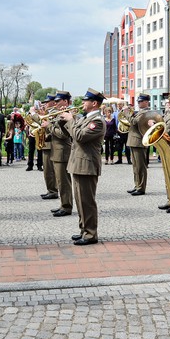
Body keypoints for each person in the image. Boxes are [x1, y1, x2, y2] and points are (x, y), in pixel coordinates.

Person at [64, 88, 106, 245]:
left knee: (87, 201)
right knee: (80, 200)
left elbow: (80, 136)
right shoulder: (86, 118)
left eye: (85, 100)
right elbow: (71, 133)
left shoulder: (97, 121)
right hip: (78, 164)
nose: (82, 103)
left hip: (87, 166)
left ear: (94, 103)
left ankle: (90, 234)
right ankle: (84, 229)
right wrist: (64, 120)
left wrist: (70, 120)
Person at [47, 91, 74, 216]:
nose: (55, 103)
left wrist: (49, 127)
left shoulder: (69, 114)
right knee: (59, 180)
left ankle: (67, 206)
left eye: (58, 101)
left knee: (64, 181)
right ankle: (63, 204)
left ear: (65, 101)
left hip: (62, 152)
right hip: (56, 151)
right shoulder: (60, 114)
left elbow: (63, 135)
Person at [127, 94, 151, 195]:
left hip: (139, 141)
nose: (138, 103)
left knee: (141, 166)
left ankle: (141, 188)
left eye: (141, 101)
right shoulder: (140, 112)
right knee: (135, 166)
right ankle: (137, 185)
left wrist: (127, 114)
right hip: (134, 141)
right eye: (138, 101)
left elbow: (134, 122)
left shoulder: (146, 112)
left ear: (146, 102)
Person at [39, 94, 58, 199]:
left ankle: (53, 190)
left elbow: (52, 128)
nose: (45, 104)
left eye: (47, 102)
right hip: (46, 144)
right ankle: (50, 189)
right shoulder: (47, 113)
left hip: (51, 144)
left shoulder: (54, 113)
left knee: (50, 170)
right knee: (47, 170)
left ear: (53, 102)